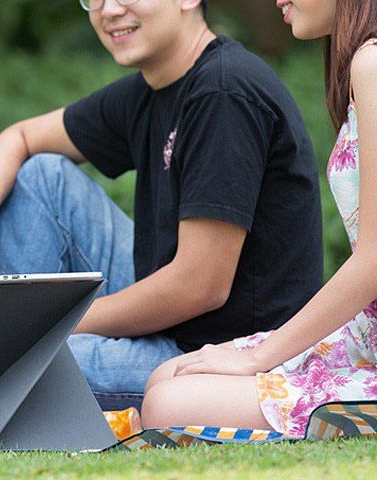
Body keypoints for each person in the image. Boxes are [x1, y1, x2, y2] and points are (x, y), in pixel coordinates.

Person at [0, 0, 324, 421]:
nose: (110, 10)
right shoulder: (153, 90)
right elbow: (18, 137)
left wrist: (37, 328)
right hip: (174, 323)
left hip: (217, 356)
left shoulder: (224, 92)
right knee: (43, 176)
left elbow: (200, 286)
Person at [142, 0, 377, 437]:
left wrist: (258, 357)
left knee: (168, 402)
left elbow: (373, 262)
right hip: (364, 334)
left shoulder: (373, 63)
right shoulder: (360, 67)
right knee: (167, 378)